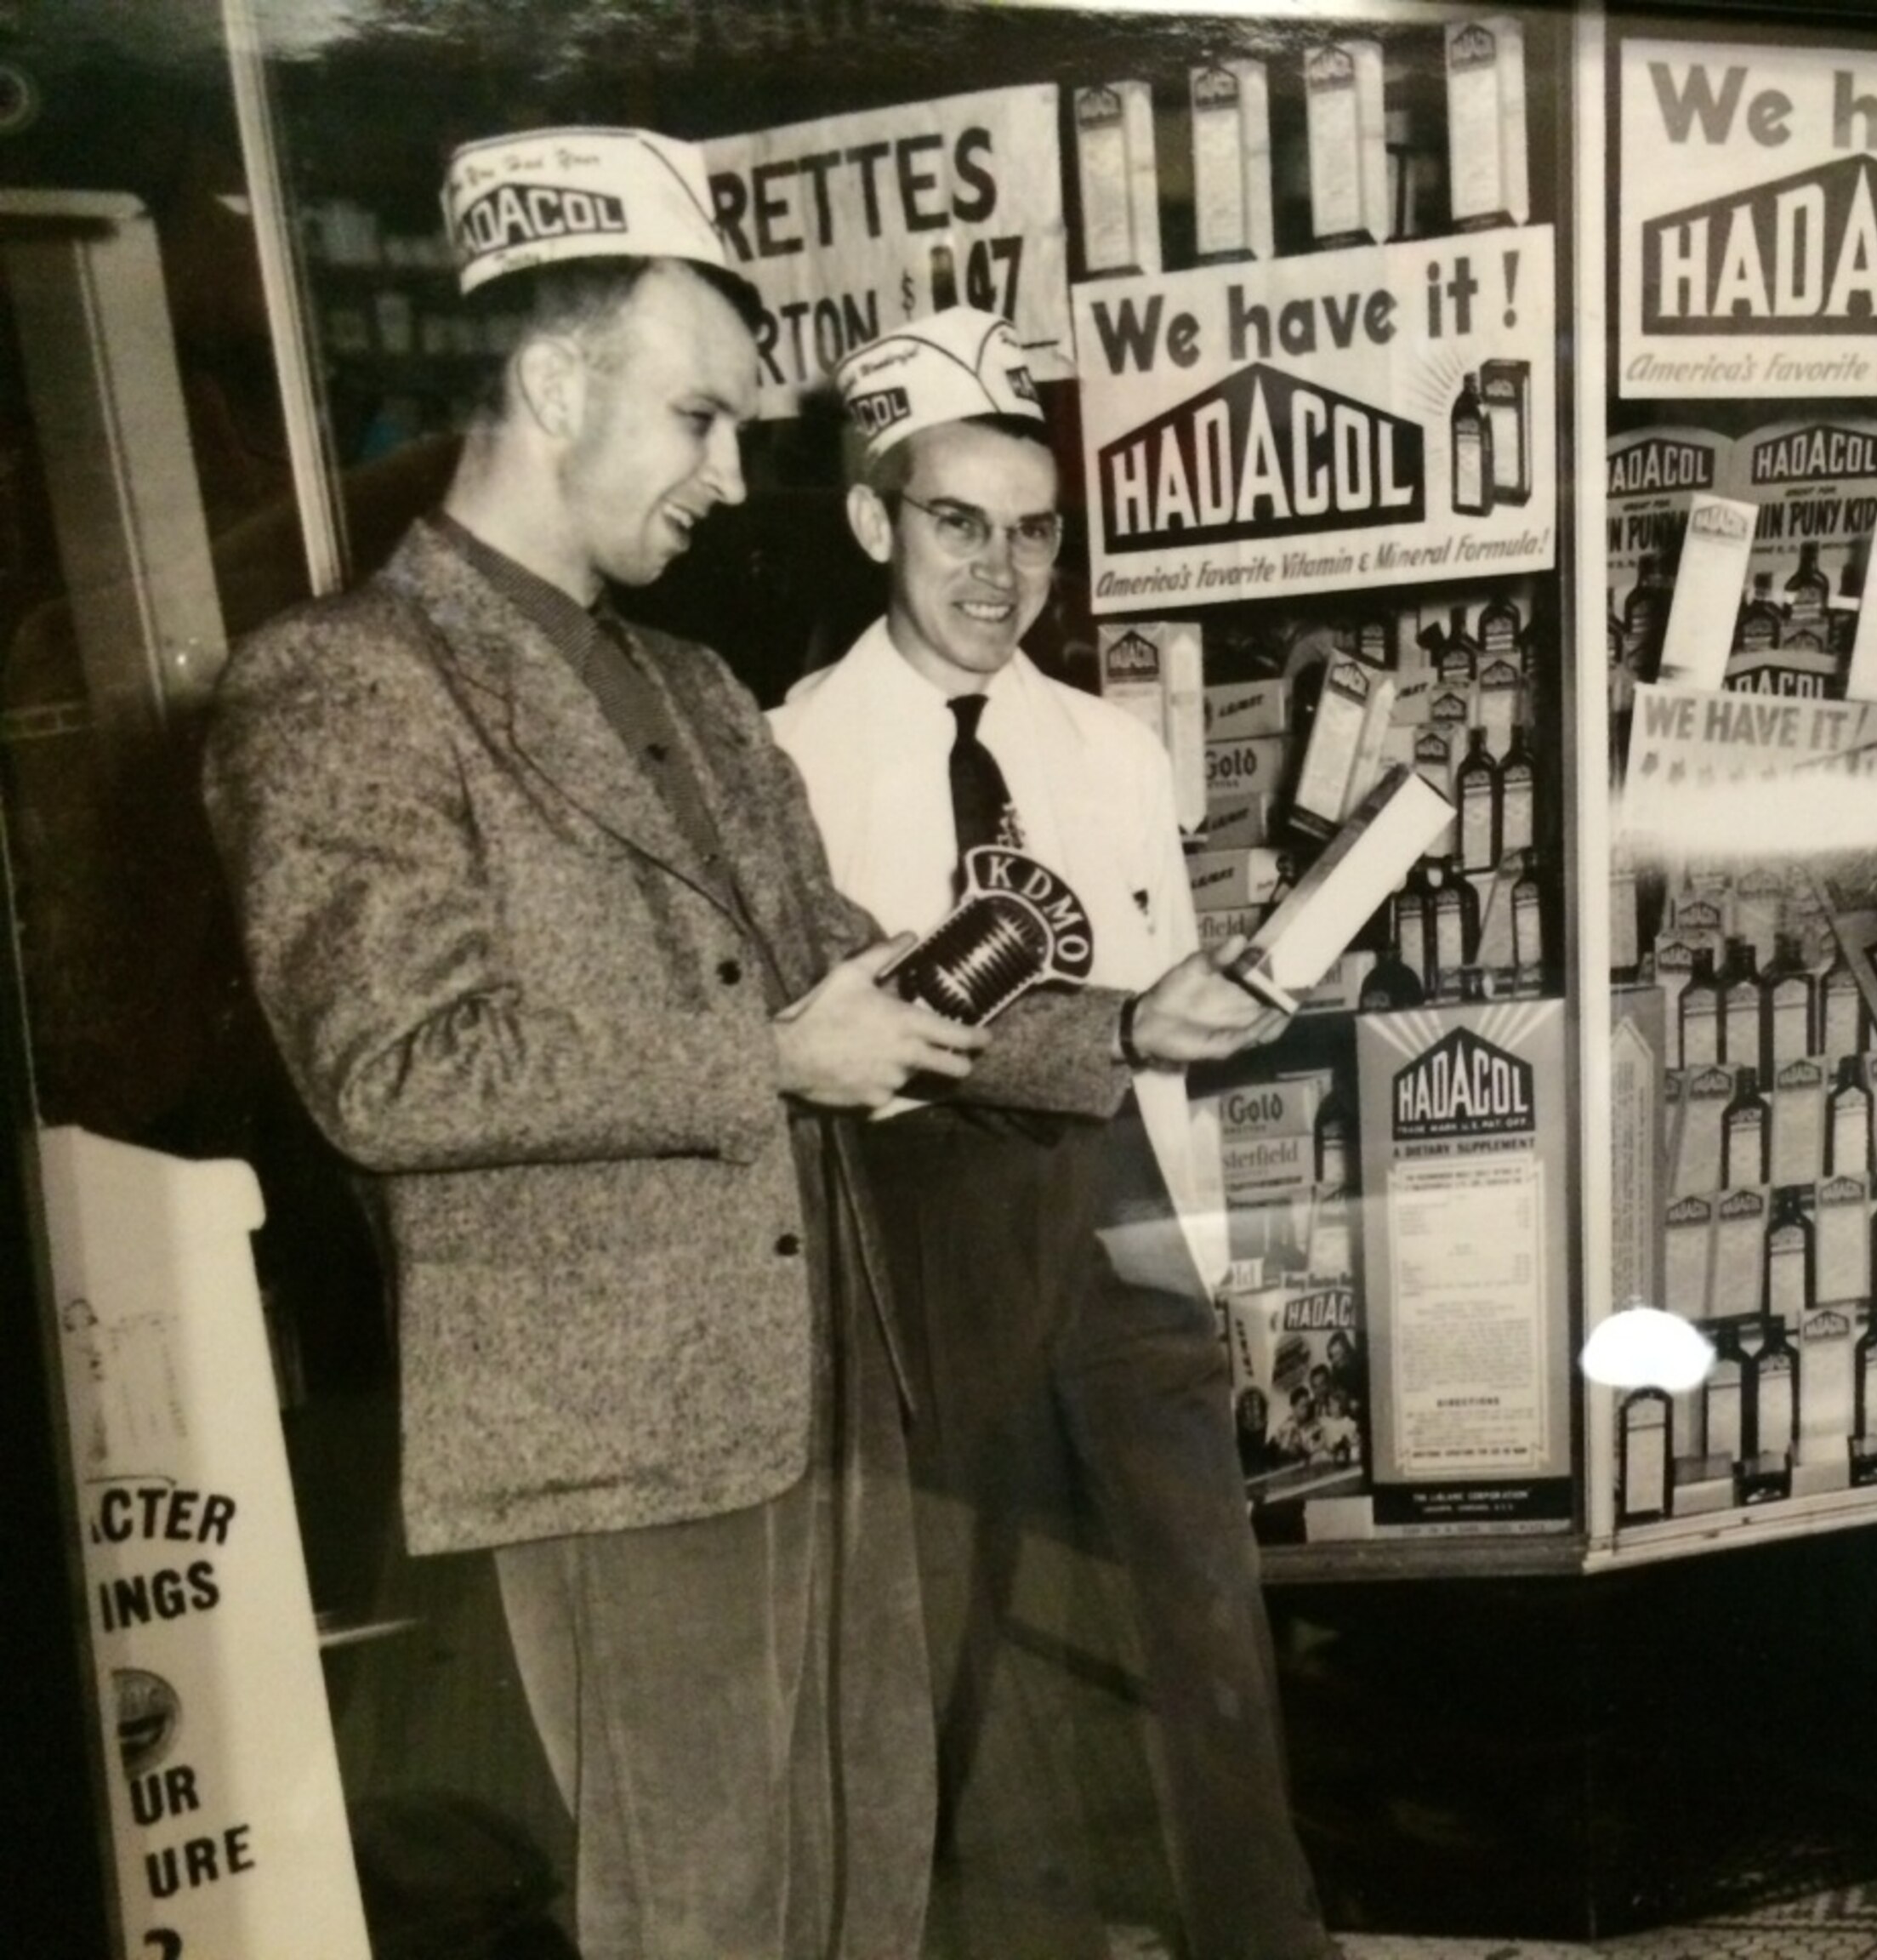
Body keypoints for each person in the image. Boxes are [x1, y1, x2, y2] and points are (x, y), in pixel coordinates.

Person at [201, 128, 1014, 1958]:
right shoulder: (343, 683)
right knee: (707, 1914)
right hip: (622, 1432)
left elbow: (839, 968)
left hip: (823, 1390)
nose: (733, 479)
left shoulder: (693, 685)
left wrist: (1126, 1023)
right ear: (558, 383)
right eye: (702, 419)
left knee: (867, 1880)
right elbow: (391, 1067)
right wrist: (768, 1068)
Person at [770, 308, 1330, 1960]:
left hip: (1114, 1195)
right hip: (915, 1207)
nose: (999, 571)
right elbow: (853, 1036)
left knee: (1199, 1594)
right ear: (875, 521)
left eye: (1030, 530)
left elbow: (1156, 1023)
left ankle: (1265, 1939)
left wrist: (1217, 1007)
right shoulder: (780, 754)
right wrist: (1129, 1025)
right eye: (955, 522)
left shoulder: (1106, 744)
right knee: (973, 1629)